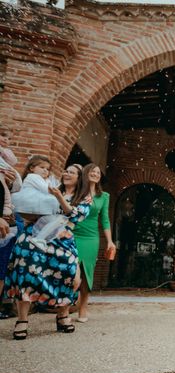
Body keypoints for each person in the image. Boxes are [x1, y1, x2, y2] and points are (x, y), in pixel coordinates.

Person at [6, 157, 91, 339]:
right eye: (66, 170)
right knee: (25, 269)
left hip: (63, 238)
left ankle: (62, 315)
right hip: (35, 234)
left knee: (68, 274)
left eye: (72, 172)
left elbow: (75, 217)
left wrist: (58, 198)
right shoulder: (46, 187)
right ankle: (22, 320)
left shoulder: (84, 198)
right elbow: (27, 206)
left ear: (80, 178)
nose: (66, 173)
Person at [72, 163, 115, 323]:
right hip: (72, 233)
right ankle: (65, 306)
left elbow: (104, 219)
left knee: (86, 272)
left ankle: (83, 306)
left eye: (98, 172)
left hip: (91, 237)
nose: (95, 174)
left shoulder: (104, 196)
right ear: (85, 173)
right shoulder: (77, 191)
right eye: (92, 171)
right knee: (70, 270)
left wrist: (110, 241)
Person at [0, 124, 22, 320]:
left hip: (7, 216)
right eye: (2, 135)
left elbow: (12, 189)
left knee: (1, 265)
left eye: (8, 137)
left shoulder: (7, 163)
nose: (5, 140)